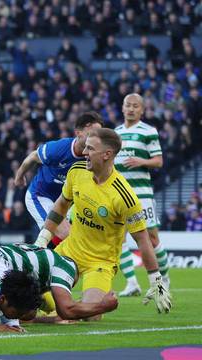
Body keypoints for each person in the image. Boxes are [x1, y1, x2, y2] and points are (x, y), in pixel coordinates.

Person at [35, 128, 172, 319]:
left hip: (100, 263)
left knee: (89, 314)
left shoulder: (124, 196)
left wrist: (156, 282)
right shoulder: (76, 171)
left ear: (107, 154)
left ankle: (75, 308)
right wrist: (42, 240)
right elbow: (60, 206)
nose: (84, 153)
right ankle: (51, 307)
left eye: (90, 149)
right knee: (30, 291)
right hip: (69, 252)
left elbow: (143, 241)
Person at [0, 243, 118, 322]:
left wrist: (50, 317)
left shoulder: (42, 267)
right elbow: (65, 309)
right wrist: (103, 306)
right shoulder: (65, 267)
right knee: (13, 315)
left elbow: (44, 303)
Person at [14, 112, 104, 247]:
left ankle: (43, 257)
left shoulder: (94, 158)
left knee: (68, 237)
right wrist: (19, 176)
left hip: (66, 202)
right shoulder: (58, 149)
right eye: (91, 134)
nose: (95, 139)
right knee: (64, 233)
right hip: (40, 196)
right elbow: (33, 157)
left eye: (98, 135)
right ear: (78, 133)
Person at [114, 93, 170, 296]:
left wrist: (142, 162)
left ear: (142, 110)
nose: (130, 109)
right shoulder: (115, 133)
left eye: (135, 106)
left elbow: (158, 161)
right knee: (118, 240)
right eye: (127, 105)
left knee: (151, 239)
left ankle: (164, 280)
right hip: (119, 195)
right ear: (122, 108)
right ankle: (132, 283)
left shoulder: (148, 131)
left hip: (141, 195)